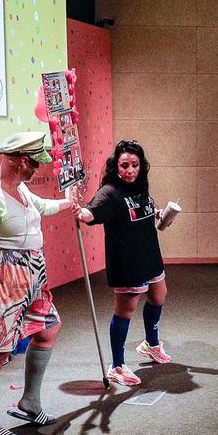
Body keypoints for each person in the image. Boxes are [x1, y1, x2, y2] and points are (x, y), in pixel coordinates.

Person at [0, 130, 79, 435]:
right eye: (34, 164)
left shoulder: (21, 189)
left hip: (33, 273)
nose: (38, 170)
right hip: (4, 278)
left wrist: (69, 203)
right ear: (21, 161)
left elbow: (42, 207)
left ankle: (30, 402)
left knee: (49, 327)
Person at [76, 140, 172, 388]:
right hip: (127, 262)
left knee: (158, 295)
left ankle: (151, 346)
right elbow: (92, 212)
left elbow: (143, 211)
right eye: (125, 165)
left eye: (135, 165)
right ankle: (116, 365)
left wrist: (159, 213)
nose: (130, 170)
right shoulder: (110, 192)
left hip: (149, 256)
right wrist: (82, 213)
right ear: (116, 167)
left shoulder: (141, 187)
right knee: (125, 310)